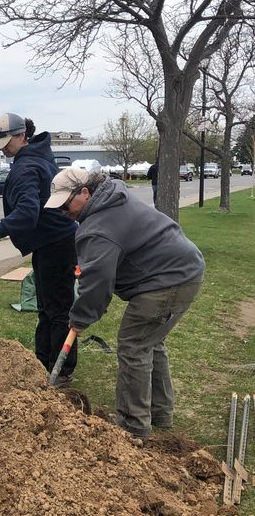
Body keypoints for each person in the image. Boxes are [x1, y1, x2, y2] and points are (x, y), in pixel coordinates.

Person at [45, 167, 204, 438]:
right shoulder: (115, 196)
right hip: (184, 270)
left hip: (166, 281)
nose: (63, 211)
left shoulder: (97, 228)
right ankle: (159, 413)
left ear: (85, 192)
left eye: (66, 204)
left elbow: (97, 283)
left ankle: (133, 425)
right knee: (150, 343)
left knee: (133, 346)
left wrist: (80, 318)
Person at [0, 113, 79, 383]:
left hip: (54, 243)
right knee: (48, 308)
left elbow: (27, 212)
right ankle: (43, 364)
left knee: (57, 310)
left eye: (7, 141)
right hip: (53, 241)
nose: (5, 148)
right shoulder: (37, 157)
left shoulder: (27, 167)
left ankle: (60, 371)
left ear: (22, 136)